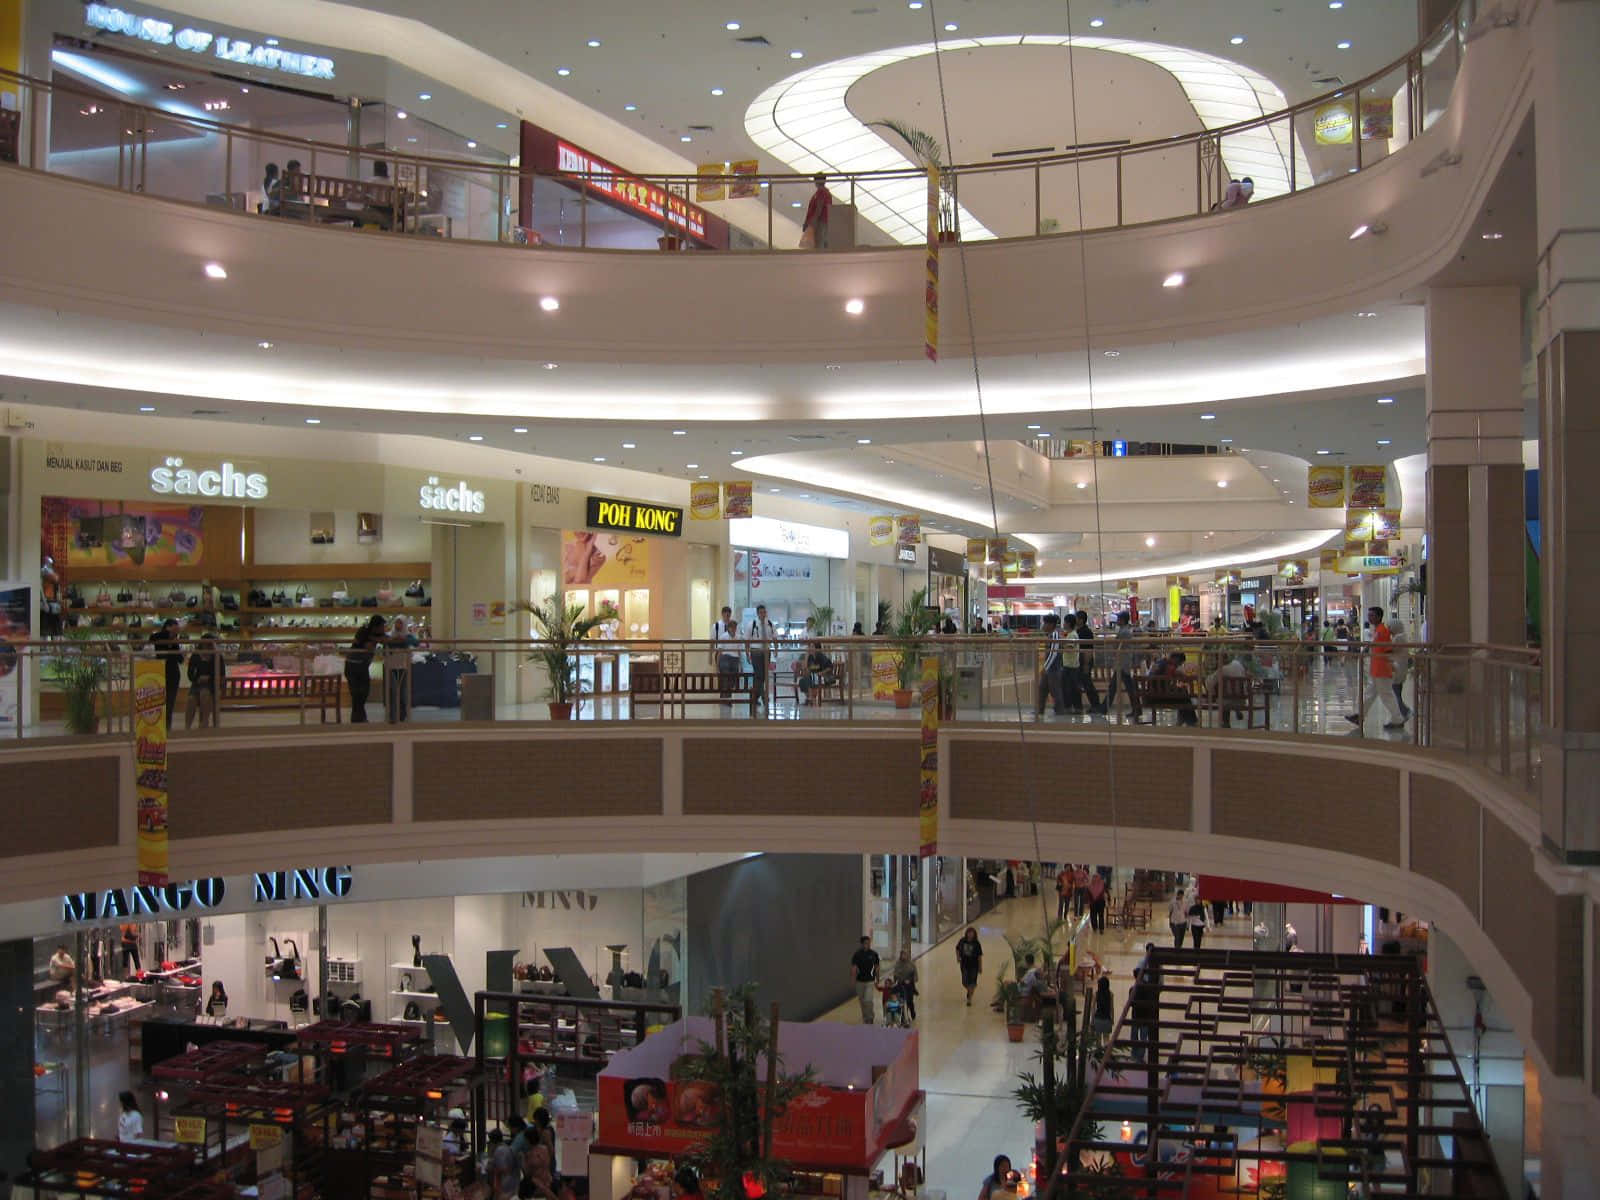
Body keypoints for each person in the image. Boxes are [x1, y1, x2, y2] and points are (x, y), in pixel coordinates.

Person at [1346, 605, 1405, 730]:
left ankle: (1398, 719)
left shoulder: (1383, 631)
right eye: (1369, 615)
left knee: (1387, 695)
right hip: (1377, 669)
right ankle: (1359, 715)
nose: (1369, 617)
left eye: (1372, 615)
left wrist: (1391, 664)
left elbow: (1388, 650)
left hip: (1382, 670)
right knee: (1369, 694)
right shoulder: (1378, 630)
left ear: (1379, 616)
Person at [345, 614, 386, 723]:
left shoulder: (378, 634)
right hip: (352, 666)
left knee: (362, 694)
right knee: (357, 694)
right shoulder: (363, 631)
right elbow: (367, 646)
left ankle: (358, 719)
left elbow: (386, 640)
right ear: (376, 626)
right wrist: (375, 639)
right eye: (382, 626)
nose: (383, 628)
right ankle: (359, 719)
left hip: (362, 667)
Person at [1104, 611, 1143, 720]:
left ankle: (1104, 707)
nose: (1117, 621)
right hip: (1123, 662)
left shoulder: (1124, 632)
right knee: (1117, 687)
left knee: (1120, 687)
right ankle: (1136, 709)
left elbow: (1116, 646)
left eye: (1118, 619)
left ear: (1123, 620)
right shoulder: (1124, 631)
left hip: (1122, 663)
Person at [184, 632, 224, 730]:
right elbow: (190, 674)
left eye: (208, 644)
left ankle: (204, 723)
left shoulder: (217, 656)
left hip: (211, 685)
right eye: (204, 644)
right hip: (197, 684)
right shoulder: (195, 656)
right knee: (191, 700)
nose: (206, 646)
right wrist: (197, 679)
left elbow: (221, 673)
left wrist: (209, 678)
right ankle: (187, 726)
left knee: (204, 694)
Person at [1150, 650, 1200, 726]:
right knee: (1184, 695)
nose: (1178, 665)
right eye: (1179, 663)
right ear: (1175, 658)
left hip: (1151, 695)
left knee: (1182, 694)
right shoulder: (1169, 666)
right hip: (1160, 697)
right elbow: (1173, 678)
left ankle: (1184, 720)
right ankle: (1191, 722)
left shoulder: (1160, 662)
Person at [148, 618, 182, 727]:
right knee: (157, 703)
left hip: (173, 674)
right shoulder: (159, 637)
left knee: (170, 704)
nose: (175, 632)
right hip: (159, 673)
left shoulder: (175, 641)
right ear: (167, 627)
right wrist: (169, 635)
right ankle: (158, 727)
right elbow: (153, 638)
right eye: (174, 628)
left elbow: (180, 659)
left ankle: (167, 728)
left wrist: (173, 643)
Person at [385, 616, 420, 723]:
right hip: (391, 667)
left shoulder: (408, 636)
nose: (398, 625)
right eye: (397, 623)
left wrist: (404, 640)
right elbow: (385, 643)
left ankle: (402, 715)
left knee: (403, 693)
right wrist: (395, 641)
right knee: (393, 692)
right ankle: (392, 716)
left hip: (404, 667)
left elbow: (415, 642)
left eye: (400, 623)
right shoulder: (389, 635)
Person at [1073, 610, 1107, 715]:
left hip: (1084, 661)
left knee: (1086, 684)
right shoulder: (1079, 631)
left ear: (1081, 620)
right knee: (1080, 683)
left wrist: (1086, 664)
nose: (1075, 620)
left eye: (1076, 618)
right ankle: (1080, 706)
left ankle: (1094, 705)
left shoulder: (1085, 632)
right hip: (1080, 661)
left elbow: (1088, 650)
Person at [1035, 612, 1066, 716]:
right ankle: (1040, 710)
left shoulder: (1055, 635)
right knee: (1042, 689)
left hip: (1054, 669)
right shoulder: (1050, 635)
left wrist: (1045, 667)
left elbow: (1054, 652)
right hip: (1049, 669)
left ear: (1051, 625)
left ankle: (1060, 712)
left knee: (1055, 691)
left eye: (1045, 624)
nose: (1043, 626)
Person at [746, 604, 775, 707]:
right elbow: (747, 640)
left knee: (762, 676)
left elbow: (775, 637)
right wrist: (747, 653)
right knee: (759, 675)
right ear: (758, 613)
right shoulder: (752, 624)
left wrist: (775, 650)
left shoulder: (770, 624)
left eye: (764, 612)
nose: (763, 614)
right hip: (756, 652)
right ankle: (764, 697)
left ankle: (755, 697)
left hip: (766, 652)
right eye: (761, 612)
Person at [1388, 619, 1414, 721]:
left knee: (1395, 694)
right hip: (1401, 668)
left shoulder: (1398, 638)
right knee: (1397, 692)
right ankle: (1403, 713)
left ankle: (1405, 712)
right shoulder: (1402, 636)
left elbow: (1390, 650)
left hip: (1397, 668)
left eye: (1390, 627)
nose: (1389, 629)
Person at [850, 935, 880, 1023]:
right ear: (862, 944)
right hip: (860, 981)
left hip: (870, 981)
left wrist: (877, 979)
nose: (867, 944)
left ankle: (870, 1017)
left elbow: (877, 967)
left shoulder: (874, 954)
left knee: (868, 1000)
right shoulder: (857, 955)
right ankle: (865, 1017)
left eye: (869, 943)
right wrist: (853, 980)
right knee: (862, 1001)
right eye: (865, 943)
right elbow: (854, 968)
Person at [712, 606, 740, 700]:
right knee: (723, 676)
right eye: (725, 614)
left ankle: (727, 695)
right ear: (722, 614)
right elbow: (712, 640)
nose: (727, 616)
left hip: (734, 655)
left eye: (729, 614)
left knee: (730, 677)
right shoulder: (716, 625)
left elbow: (739, 645)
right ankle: (724, 696)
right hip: (721, 652)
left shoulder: (735, 627)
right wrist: (710, 656)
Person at [487, 1128, 520, 1200]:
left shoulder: (500, 1150)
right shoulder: (505, 1147)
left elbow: (501, 1169)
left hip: (505, 1183)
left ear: (493, 1141)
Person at [802, 174, 832, 249]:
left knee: (819, 243)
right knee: (820, 242)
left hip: (820, 222)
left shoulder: (821, 192)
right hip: (821, 221)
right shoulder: (823, 193)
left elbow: (819, 208)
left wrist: (812, 222)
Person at [955, 927, 983, 1005]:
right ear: (966, 933)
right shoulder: (962, 941)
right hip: (964, 964)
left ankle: (969, 999)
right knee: (964, 982)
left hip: (974, 965)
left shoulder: (976, 943)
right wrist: (957, 957)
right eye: (969, 933)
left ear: (974, 934)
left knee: (972, 982)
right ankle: (970, 990)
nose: (970, 935)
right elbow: (957, 948)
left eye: (972, 933)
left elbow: (979, 956)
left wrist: (980, 967)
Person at [890, 947, 918, 1021]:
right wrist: (896, 981)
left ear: (908, 955)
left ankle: (912, 1012)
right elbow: (895, 974)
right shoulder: (898, 964)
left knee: (909, 1000)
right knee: (902, 1000)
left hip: (910, 985)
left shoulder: (912, 964)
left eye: (905, 954)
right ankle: (904, 1016)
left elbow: (916, 976)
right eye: (902, 954)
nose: (904, 956)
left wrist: (911, 980)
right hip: (901, 985)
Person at [1087, 868, 1108, 934]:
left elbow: (1106, 893)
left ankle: (1097, 928)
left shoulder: (1091, 885)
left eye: (1096, 877)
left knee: (1097, 915)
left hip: (1097, 902)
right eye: (1094, 877)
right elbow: (1088, 895)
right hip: (1097, 902)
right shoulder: (1101, 884)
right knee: (1096, 915)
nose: (1095, 879)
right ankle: (1097, 928)